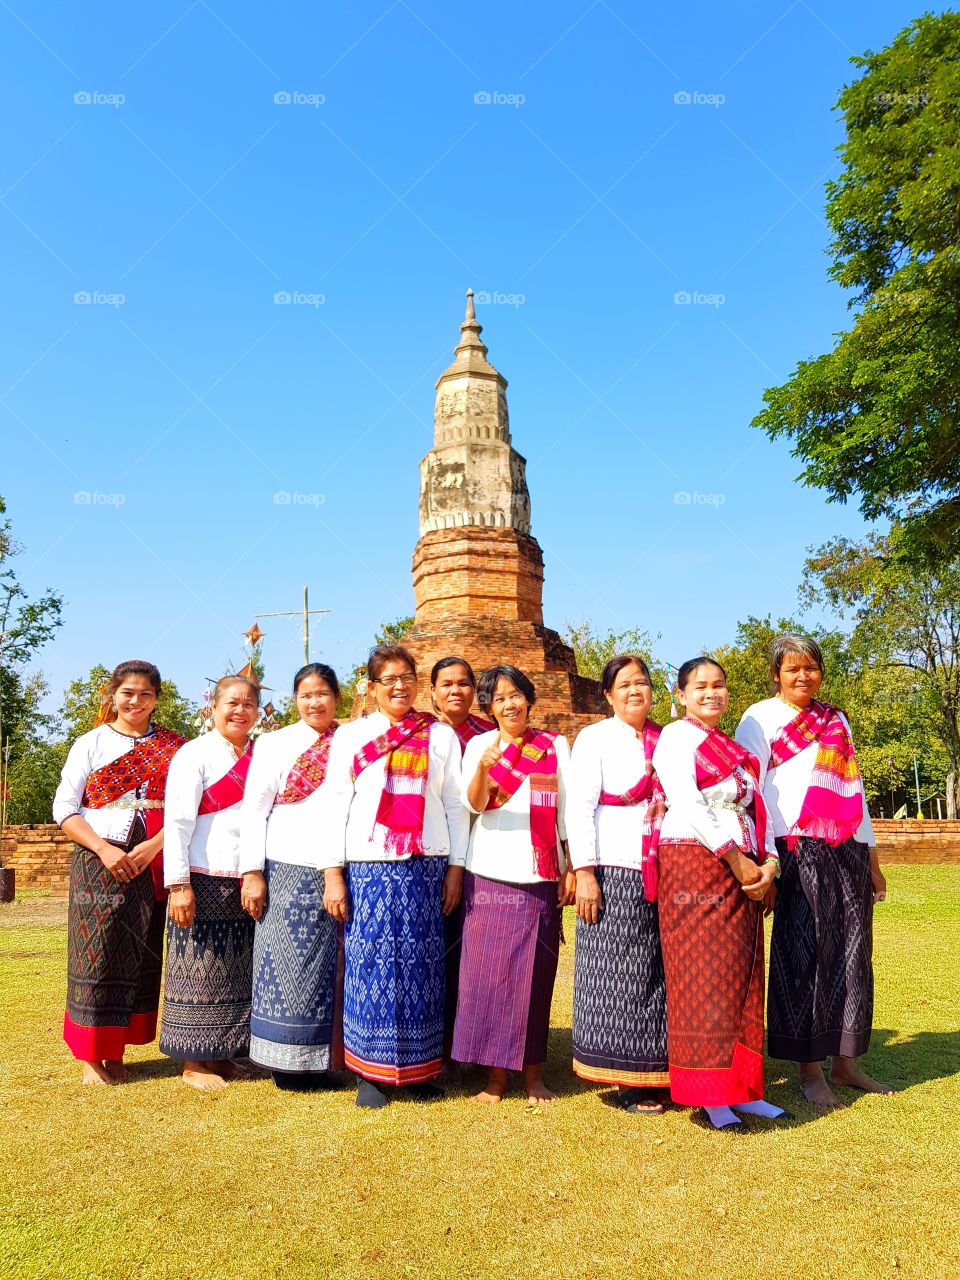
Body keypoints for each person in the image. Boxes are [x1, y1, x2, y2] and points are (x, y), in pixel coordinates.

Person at [736, 634, 891, 1109]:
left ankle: (846, 1062)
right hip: (794, 848)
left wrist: (872, 859)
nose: (803, 676)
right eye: (792, 669)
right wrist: (765, 858)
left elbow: (854, 792)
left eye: (811, 667)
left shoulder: (836, 719)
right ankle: (809, 1070)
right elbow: (751, 792)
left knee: (853, 953)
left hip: (846, 848)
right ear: (776, 675)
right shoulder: (759, 718)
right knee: (804, 956)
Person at [324, 645, 469, 1108]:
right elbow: (335, 805)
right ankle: (370, 1073)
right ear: (372, 687)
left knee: (423, 965)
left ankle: (419, 1070)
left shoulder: (440, 736)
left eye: (407, 677)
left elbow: (453, 805)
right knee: (371, 964)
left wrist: (456, 867)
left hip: (426, 864)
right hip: (369, 866)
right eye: (389, 679)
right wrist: (332, 873)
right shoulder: (351, 736)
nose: (399, 686)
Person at [652, 657, 788, 1130]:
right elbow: (689, 803)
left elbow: (759, 809)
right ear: (681, 695)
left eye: (719, 685)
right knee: (702, 976)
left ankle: (745, 1089)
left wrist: (770, 863)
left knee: (743, 976)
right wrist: (734, 858)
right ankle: (710, 1095)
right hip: (696, 861)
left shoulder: (733, 749)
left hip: (745, 862)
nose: (712, 693)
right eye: (701, 686)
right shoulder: (676, 737)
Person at [53, 660, 186, 1085]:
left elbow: (187, 807)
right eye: (127, 693)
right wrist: (103, 849)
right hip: (99, 860)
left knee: (140, 952)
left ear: (156, 699)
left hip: (152, 859)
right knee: (96, 953)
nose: (135, 701)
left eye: (145, 694)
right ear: (113, 695)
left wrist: (154, 846)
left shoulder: (176, 747)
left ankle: (117, 1050)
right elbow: (64, 808)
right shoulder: (90, 743)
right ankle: (91, 1055)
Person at [452, 664, 576, 1105]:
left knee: (536, 978)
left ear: (529, 699)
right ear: (490, 707)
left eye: (516, 695)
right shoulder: (480, 745)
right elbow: (473, 804)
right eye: (500, 698)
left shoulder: (553, 745)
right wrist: (483, 770)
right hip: (489, 874)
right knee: (488, 978)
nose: (509, 704)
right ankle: (495, 1078)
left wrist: (571, 866)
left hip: (540, 874)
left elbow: (567, 812)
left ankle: (534, 1074)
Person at [567, 655, 670, 1114]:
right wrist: (585, 872)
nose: (634, 691)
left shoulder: (668, 739)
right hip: (612, 867)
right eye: (624, 684)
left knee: (658, 970)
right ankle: (626, 1077)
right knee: (617, 972)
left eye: (641, 682)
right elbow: (579, 808)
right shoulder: (594, 738)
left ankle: (661, 1069)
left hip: (664, 867)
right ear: (608, 695)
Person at [238, 662, 344, 1092]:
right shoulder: (274, 743)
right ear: (295, 700)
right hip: (283, 865)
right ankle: (284, 1064)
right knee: (283, 964)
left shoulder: (350, 740)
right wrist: (252, 872)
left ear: (337, 697)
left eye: (322, 694)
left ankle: (325, 1061)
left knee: (328, 967)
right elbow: (254, 809)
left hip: (337, 868)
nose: (314, 702)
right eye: (306, 695)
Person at [160, 675, 263, 1090]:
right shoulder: (194, 754)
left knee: (236, 970)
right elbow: (178, 822)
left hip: (247, 875)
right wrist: (178, 884)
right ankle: (193, 1063)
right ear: (213, 707)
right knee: (197, 969)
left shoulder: (261, 755)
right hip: (200, 876)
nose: (240, 711)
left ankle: (223, 1055)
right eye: (231, 703)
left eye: (248, 704)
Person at [430, 655, 496, 1078]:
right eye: (447, 683)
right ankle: (431, 1045)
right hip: (426, 855)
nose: (456, 690)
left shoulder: (491, 738)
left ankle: (463, 1047)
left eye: (464, 683)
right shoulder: (420, 734)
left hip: (478, 858)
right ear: (433, 691)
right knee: (431, 952)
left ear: (475, 690)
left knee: (467, 954)